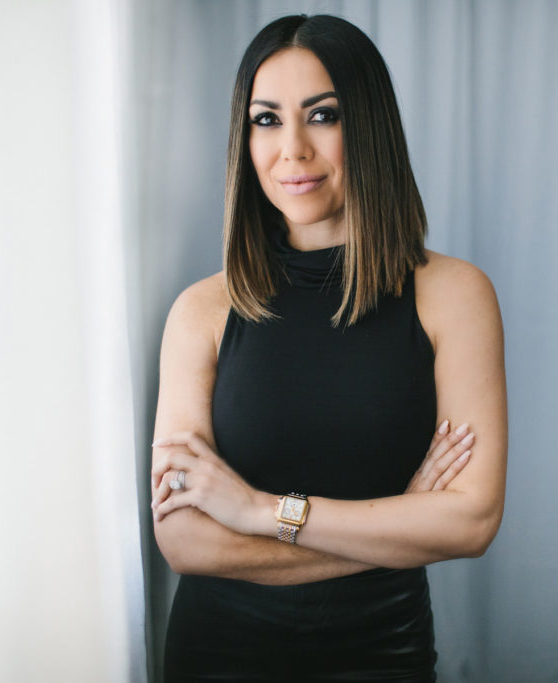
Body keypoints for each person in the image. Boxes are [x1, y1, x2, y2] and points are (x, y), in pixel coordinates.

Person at [149, 14, 507, 681]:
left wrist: (259, 511)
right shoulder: (201, 311)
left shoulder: (454, 295)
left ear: (368, 126)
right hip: (219, 653)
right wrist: (400, 525)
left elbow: (472, 519)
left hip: (382, 648)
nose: (292, 150)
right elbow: (185, 540)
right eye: (265, 119)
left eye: (322, 115)